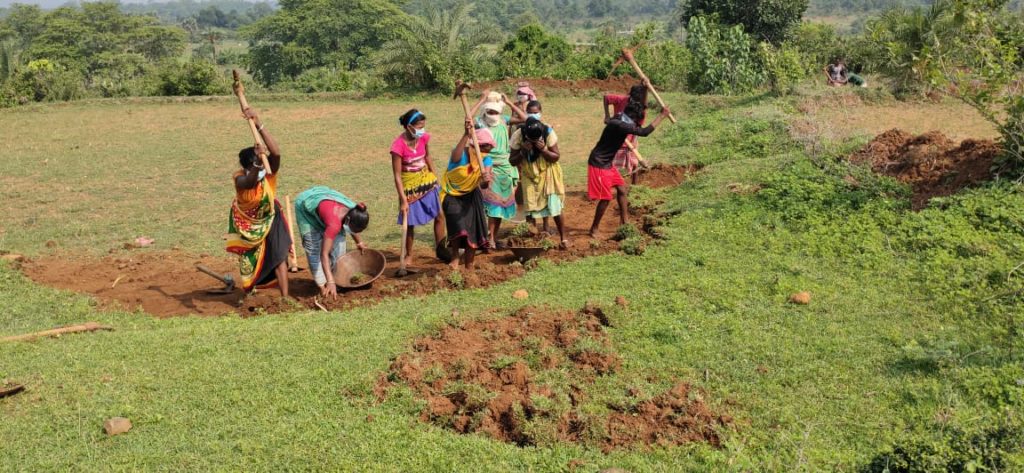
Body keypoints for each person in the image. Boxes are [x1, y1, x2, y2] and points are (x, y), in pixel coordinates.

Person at [226, 107, 292, 298]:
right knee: (250, 259)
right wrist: (257, 163)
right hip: (248, 224)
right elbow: (249, 182)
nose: (263, 165)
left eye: (262, 161)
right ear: (247, 165)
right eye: (257, 162)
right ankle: (251, 293)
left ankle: (285, 298)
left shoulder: (268, 174)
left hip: (272, 217)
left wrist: (258, 124)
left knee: (280, 255)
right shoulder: (240, 178)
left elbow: (277, 153)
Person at [587, 88, 671, 238]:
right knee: (606, 198)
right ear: (633, 118)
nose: (637, 125)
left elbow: (636, 122)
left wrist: (644, 88)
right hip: (599, 163)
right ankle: (594, 229)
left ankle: (625, 223)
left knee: (622, 190)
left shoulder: (620, 117)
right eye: (637, 122)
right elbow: (644, 132)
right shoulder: (621, 125)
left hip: (607, 163)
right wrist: (662, 116)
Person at [470, 90, 526, 249]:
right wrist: (481, 100)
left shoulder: (504, 121)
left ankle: (492, 237)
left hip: (506, 167)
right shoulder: (480, 123)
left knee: (500, 204)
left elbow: (525, 119)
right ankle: (489, 239)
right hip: (488, 166)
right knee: (492, 205)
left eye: (496, 111)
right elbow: (467, 118)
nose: (493, 114)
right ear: (485, 111)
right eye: (490, 111)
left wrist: (508, 103)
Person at [390, 109, 446, 265]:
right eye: (419, 126)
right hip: (409, 185)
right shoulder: (398, 146)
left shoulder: (423, 138)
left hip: (426, 179)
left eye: (423, 126)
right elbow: (397, 175)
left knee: (440, 215)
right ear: (409, 127)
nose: (422, 130)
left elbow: (427, 157)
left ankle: (441, 249)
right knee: (410, 222)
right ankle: (408, 255)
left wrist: (435, 177)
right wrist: (403, 200)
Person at [293, 186, 369, 300]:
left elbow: (353, 227)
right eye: (353, 229)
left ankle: (336, 279)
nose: (353, 232)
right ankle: (323, 288)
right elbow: (323, 254)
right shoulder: (334, 223)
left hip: (327, 206)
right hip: (306, 207)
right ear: (347, 220)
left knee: (339, 250)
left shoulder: (355, 210)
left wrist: (359, 242)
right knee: (314, 248)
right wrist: (330, 281)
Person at [440, 120, 495, 270]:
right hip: (451, 194)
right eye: (484, 147)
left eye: (489, 149)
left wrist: (485, 180)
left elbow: (484, 185)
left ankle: (469, 264)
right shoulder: (461, 154)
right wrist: (466, 134)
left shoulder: (486, 160)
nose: (486, 151)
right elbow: (455, 157)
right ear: (475, 145)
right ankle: (455, 256)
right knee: (457, 224)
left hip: (471, 195)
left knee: (473, 229)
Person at [510, 116, 567, 248]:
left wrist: (544, 150)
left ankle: (563, 238)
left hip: (548, 173)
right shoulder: (518, 135)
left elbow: (556, 157)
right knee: (530, 209)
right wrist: (523, 152)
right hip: (529, 174)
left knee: (555, 206)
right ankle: (533, 242)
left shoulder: (548, 132)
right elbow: (512, 161)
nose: (535, 142)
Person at [604, 84, 652, 184]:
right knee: (612, 163)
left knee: (634, 159)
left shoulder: (640, 107)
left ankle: (634, 183)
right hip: (617, 136)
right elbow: (606, 98)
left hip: (632, 134)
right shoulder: (622, 100)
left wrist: (646, 87)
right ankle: (608, 183)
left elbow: (641, 129)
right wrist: (607, 116)